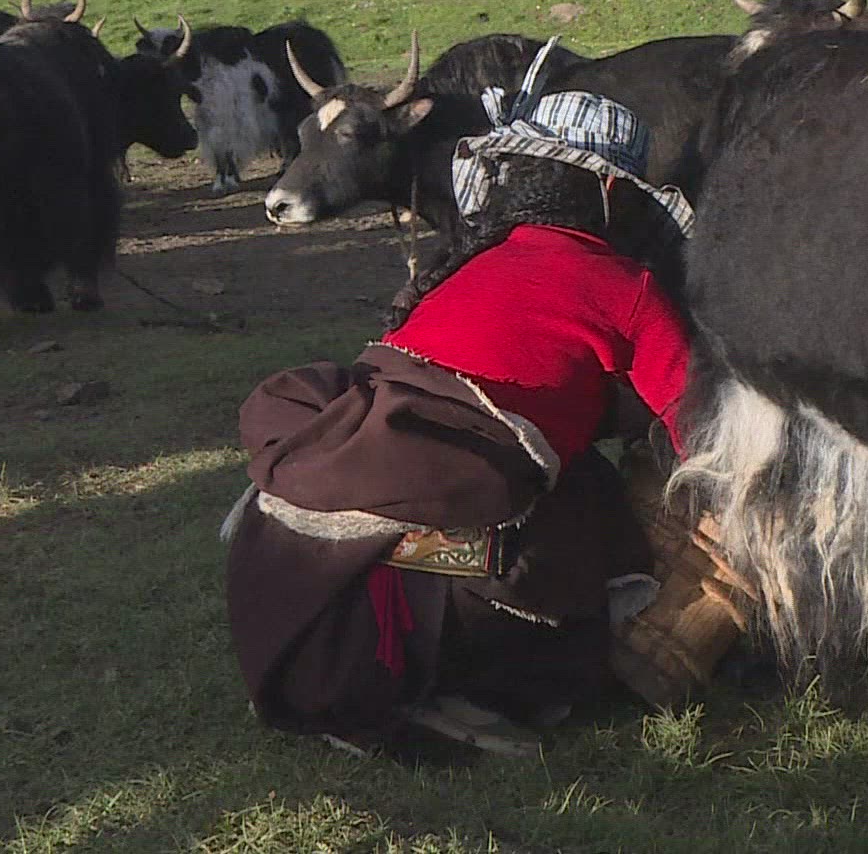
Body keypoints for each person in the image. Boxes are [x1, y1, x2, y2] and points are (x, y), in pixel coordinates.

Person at [223, 39, 695, 758]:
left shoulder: (463, 265)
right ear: (611, 195)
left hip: (335, 474)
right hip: (453, 476)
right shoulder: (628, 288)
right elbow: (699, 425)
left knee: (570, 484)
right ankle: (462, 679)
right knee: (592, 526)